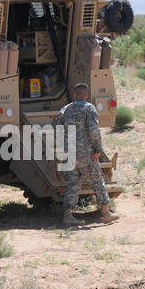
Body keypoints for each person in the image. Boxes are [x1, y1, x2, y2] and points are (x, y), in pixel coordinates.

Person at [55, 83, 119, 226]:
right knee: (97, 181)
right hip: (86, 155)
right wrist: (98, 150)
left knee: (73, 183)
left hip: (69, 155)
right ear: (87, 95)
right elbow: (94, 131)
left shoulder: (65, 110)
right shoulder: (89, 108)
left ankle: (67, 216)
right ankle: (105, 213)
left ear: (74, 94)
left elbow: (58, 134)